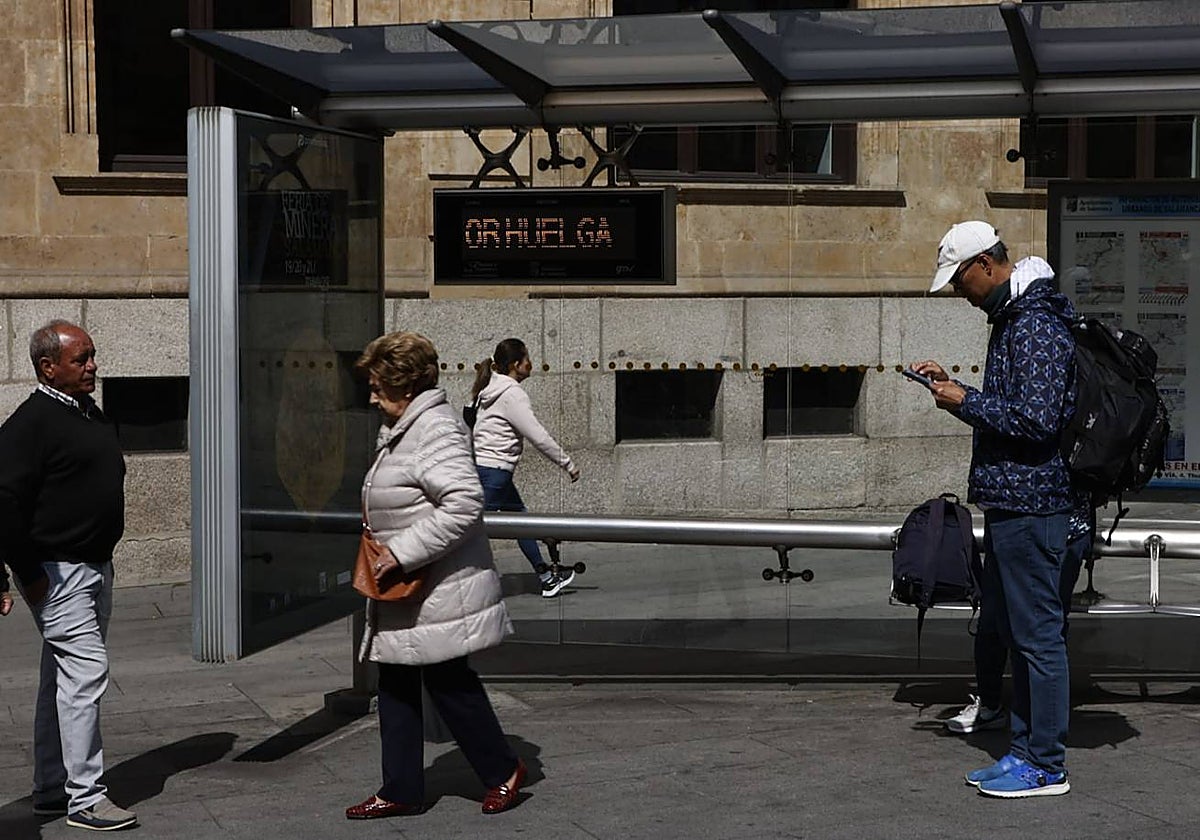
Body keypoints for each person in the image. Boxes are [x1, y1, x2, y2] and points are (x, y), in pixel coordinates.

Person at [911, 221, 1077, 798]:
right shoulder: (1013, 319)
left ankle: (1046, 764)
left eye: (959, 280)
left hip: (1034, 504)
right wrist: (956, 392)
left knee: (1038, 638)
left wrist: (966, 399)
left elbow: (1036, 421)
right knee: (1020, 633)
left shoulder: (1033, 325)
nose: (959, 292)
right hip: (1014, 502)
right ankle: (1025, 751)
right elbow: (1014, 411)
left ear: (985, 263)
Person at [346, 331, 526, 820]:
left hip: (434, 586)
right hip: (410, 588)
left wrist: (401, 552)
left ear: (405, 384)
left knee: (449, 683)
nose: (371, 394)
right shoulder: (409, 424)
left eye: (379, 384)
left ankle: (503, 771)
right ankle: (401, 789)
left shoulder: (435, 428)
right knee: (399, 684)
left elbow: (465, 503)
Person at [0, 320, 137, 830]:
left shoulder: (83, 410)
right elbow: (3, 500)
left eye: (93, 356)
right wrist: (25, 574)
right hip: (57, 572)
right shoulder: (30, 423)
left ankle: (51, 789)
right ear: (48, 366)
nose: (93, 366)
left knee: (59, 677)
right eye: (81, 360)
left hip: (94, 566)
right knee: (85, 674)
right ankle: (87, 798)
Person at [944, 513, 1092, 735]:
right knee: (999, 619)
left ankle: (1042, 730)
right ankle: (1016, 719)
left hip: (1054, 527)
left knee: (1043, 629)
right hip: (1017, 524)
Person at [469, 338, 580, 598]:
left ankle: (546, 577)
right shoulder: (511, 394)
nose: (531, 363)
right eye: (527, 358)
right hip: (494, 473)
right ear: (516, 365)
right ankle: (447, 584)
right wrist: (568, 463)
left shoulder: (491, 389)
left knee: (521, 520)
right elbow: (538, 436)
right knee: (469, 534)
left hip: (491, 470)